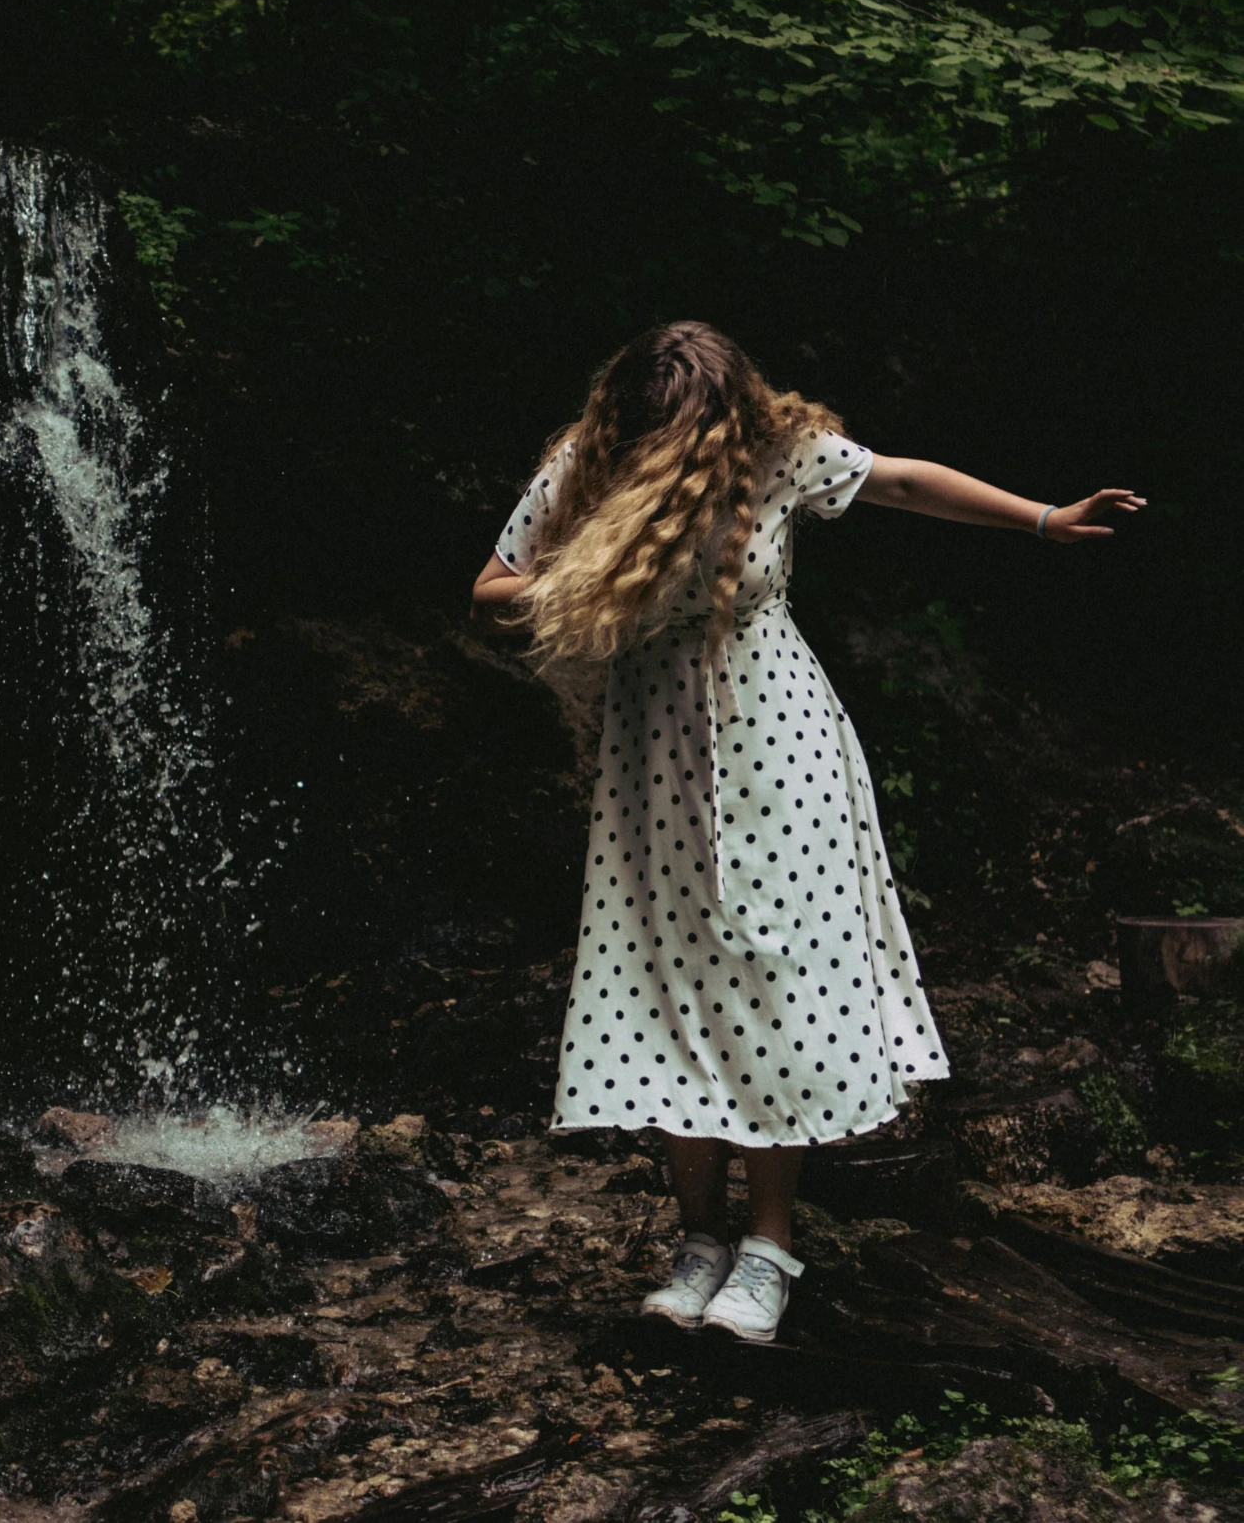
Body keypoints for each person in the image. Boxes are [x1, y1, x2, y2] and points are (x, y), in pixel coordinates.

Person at [471, 321, 1143, 1345]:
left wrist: (1045, 519)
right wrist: (598, 589)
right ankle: (697, 1239)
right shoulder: (587, 464)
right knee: (666, 981)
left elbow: (905, 482)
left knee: (772, 982)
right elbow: (494, 582)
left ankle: (769, 1245)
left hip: (778, 747)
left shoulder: (774, 450)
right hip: (654, 761)